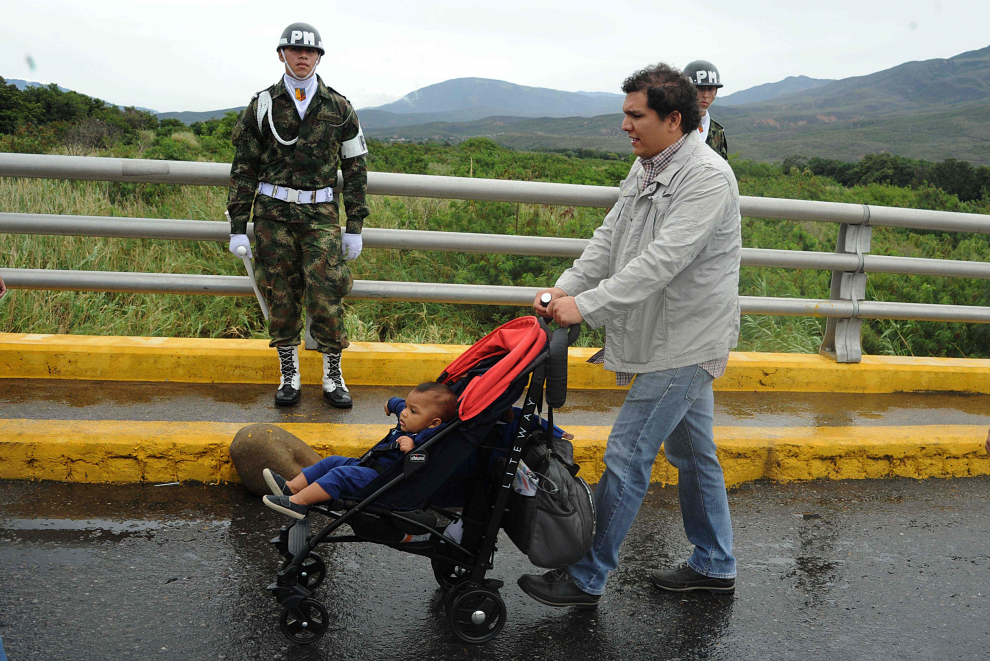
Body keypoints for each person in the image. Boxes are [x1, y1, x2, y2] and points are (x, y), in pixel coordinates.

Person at [518, 63, 741, 607]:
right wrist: (561, 291)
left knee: (627, 454)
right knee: (694, 455)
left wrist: (585, 307)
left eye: (635, 115)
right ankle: (715, 564)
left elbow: (662, 261)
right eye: (625, 114)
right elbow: (609, 238)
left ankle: (586, 576)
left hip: (686, 340)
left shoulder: (707, 178)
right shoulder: (645, 167)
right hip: (665, 333)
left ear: (673, 119)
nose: (625, 125)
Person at [226, 22, 370, 409]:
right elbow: (243, 168)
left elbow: (355, 170)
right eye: (294, 50)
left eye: (310, 52)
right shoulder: (263, 104)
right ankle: (289, 374)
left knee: (327, 293)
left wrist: (354, 226)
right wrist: (238, 226)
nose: (302, 57)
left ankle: (332, 375)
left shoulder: (338, 106)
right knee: (280, 294)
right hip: (273, 215)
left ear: (319, 57)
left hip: (320, 214)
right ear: (282, 55)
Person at [262, 382, 459, 518]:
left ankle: (298, 503)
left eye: (413, 411)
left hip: (382, 481)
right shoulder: (411, 421)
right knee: (332, 461)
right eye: (407, 407)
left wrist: (413, 450)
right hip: (369, 467)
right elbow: (399, 405)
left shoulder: (429, 437)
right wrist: (392, 403)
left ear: (434, 423)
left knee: (340, 475)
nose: (405, 413)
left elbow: (427, 461)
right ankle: (292, 487)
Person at [683, 60, 728, 160]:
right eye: (700, 88)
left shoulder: (717, 131)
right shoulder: (673, 126)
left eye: (711, 89)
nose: (706, 95)